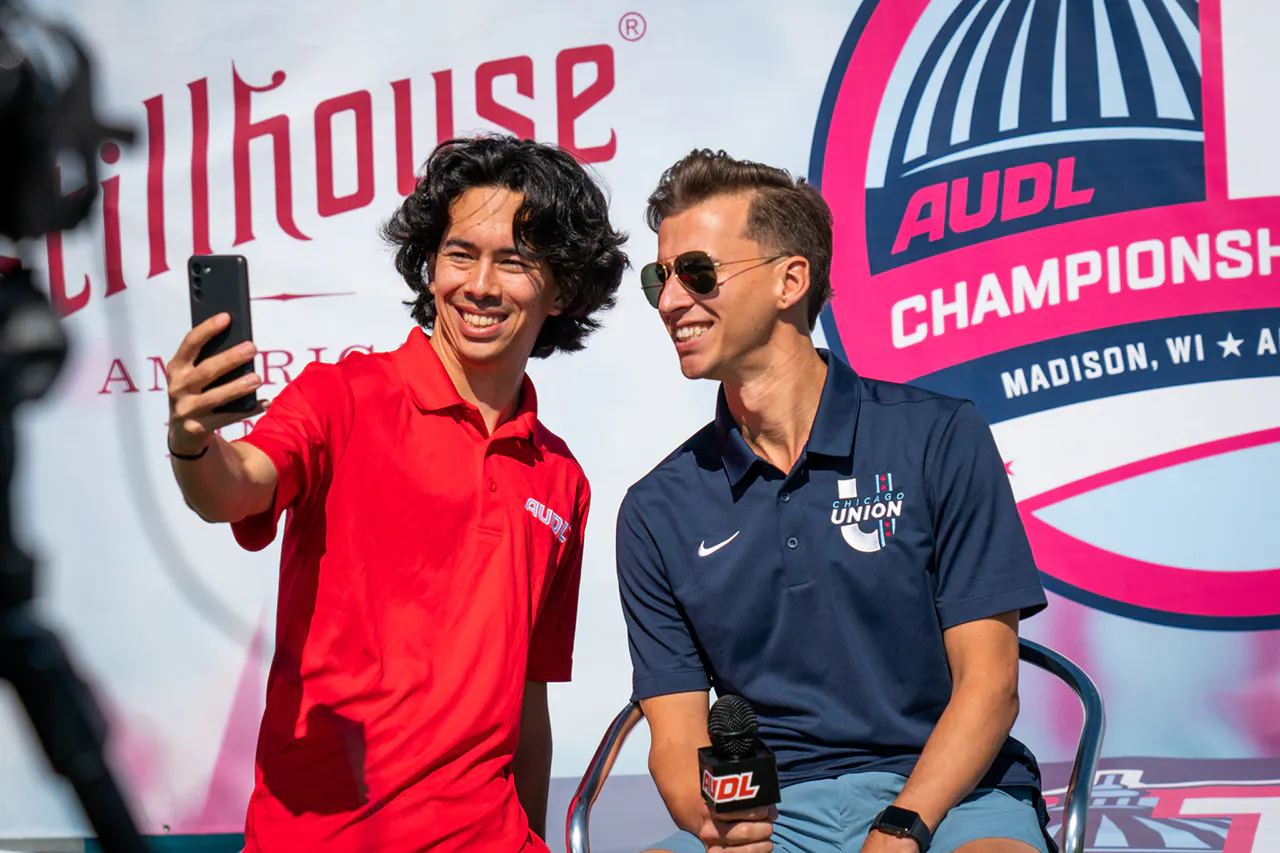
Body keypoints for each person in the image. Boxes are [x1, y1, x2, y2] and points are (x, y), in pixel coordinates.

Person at [164, 134, 628, 853]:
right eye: (460, 254)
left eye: (513, 261)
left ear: (563, 289)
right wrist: (193, 438)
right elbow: (233, 489)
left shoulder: (560, 476)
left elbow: (527, 701)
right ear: (430, 265)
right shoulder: (342, 396)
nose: (480, 284)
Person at [616, 149, 1054, 853]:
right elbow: (674, 739)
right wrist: (721, 826)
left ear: (790, 280)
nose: (670, 301)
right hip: (775, 816)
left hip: (953, 797)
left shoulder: (940, 436)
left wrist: (905, 824)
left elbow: (991, 685)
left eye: (696, 272)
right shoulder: (654, 508)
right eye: (658, 278)